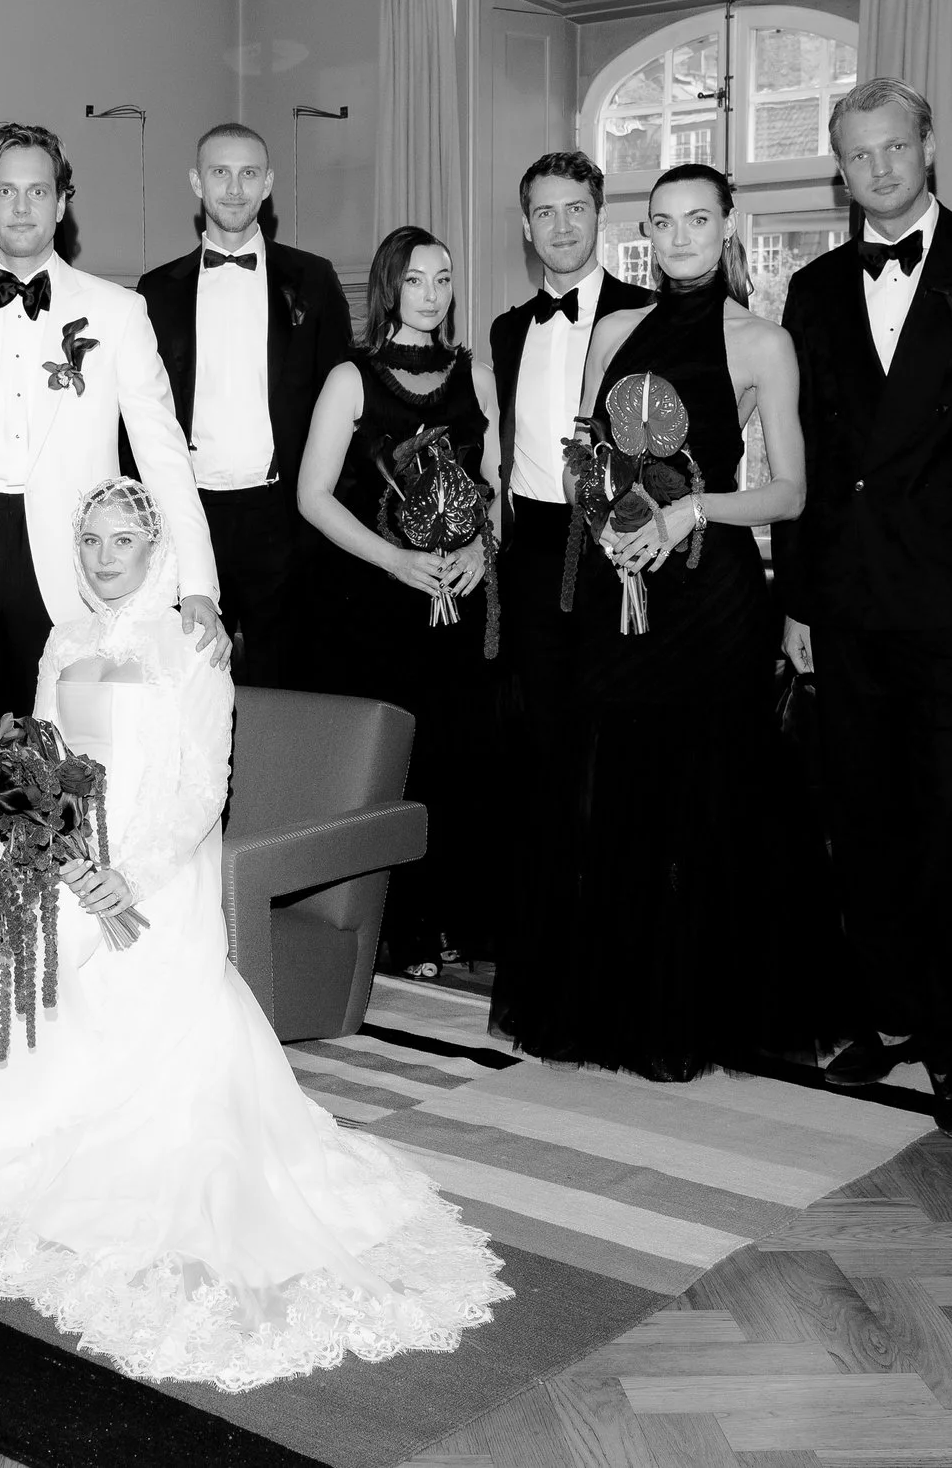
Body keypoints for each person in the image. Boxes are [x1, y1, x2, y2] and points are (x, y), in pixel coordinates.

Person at [0, 477, 509, 1391]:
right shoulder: (66, 637)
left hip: (164, 858)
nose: (104, 557)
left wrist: (134, 870)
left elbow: (207, 785)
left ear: (154, 549)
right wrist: (49, 835)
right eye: (90, 540)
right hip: (77, 839)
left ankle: (9, 1095)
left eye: (122, 540)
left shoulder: (192, 643)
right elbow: (44, 751)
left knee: (9, 912)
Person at [774, 77, 952, 1139]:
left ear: (927, 147)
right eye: (857, 155)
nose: (879, 168)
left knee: (947, 827)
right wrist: (797, 603)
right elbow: (801, 458)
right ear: (839, 168)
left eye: (894, 147)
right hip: (846, 603)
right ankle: (873, 1014)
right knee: (859, 825)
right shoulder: (809, 289)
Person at [494, 165, 818, 1082]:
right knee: (616, 794)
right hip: (617, 588)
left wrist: (687, 512)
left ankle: (697, 1013)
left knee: (702, 801)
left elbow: (789, 491)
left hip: (711, 598)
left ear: (728, 227)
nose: (679, 238)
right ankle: (619, 1003)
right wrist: (605, 513)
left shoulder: (762, 342)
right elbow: (585, 458)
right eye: (664, 222)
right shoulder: (612, 333)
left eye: (698, 220)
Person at [0, 122, 227, 743]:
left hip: (69, 571)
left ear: (62, 203)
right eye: (5, 192)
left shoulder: (119, 313)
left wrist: (198, 583)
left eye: (37, 191)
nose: (21, 206)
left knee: (62, 768)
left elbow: (163, 453)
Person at [294, 227, 499, 979]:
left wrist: (482, 548)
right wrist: (398, 561)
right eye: (417, 279)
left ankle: (458, 920)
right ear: (390, 285)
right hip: (374, 608)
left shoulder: (475, 372)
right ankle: (401, 930)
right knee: (397, 767)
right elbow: (313, 497)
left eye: (444, 278)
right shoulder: (351, 376)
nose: (433, 292)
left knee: (461, 761)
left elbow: (498, 483)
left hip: (463, 596)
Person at [133, 123, 353, 686]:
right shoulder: (154, 291)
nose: (234, 189)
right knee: (185, 682)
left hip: (284, 517)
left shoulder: (315, 279)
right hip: (188, 516)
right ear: (196, 182)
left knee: (291, 684)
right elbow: (136, 415)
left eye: (249, 173)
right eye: (220, 173)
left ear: (268, 183)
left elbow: (345, 401)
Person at [484, 152, 655, 762]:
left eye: (576, 209)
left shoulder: (648, 314)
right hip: (530, 549)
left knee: (622, 732)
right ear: (527, 227)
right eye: (545, 212)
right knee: (541, 735)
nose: (561, 227)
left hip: (620, 545)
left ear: (600, 215)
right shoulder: (507, 330)